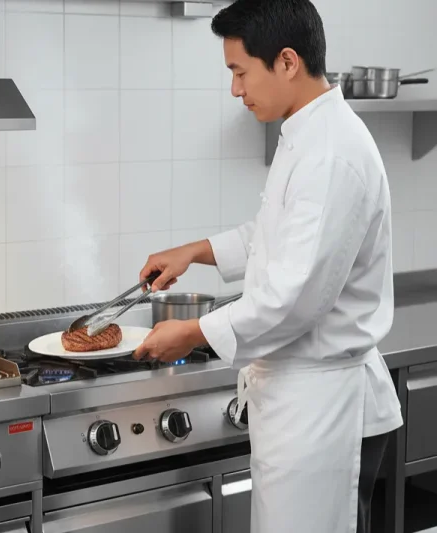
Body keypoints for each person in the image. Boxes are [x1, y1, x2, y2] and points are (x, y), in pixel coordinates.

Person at [133, 1, 403, 532]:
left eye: (240, 72)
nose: (235, 89)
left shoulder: (330, 154)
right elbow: (278, 236)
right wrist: (195, 251)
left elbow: (293, 296)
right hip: (301, 408)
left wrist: (193, 332)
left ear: (286, 62)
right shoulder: (308, 134)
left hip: (325, 415)